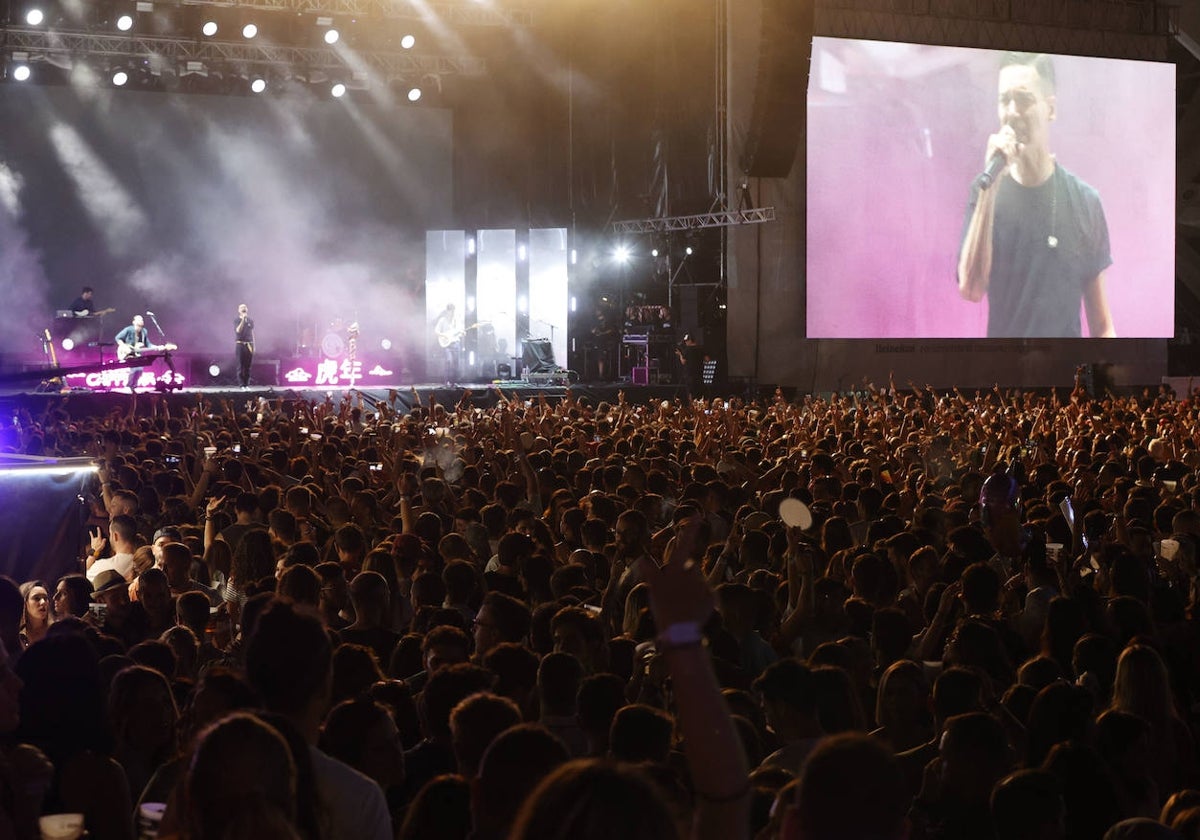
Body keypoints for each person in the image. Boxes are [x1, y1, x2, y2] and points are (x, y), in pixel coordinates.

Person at [957, 52, 1115, 338]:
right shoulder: (984, 191)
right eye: (1005, 100)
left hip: (1067, 378)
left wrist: (1112, 379)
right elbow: (971, 288)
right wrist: (989, 190)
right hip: (1003, 378)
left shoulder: (1084, 201)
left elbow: (1102, 326)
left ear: (1050, 109)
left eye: (1024, 99)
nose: (1013, 111)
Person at [434, 303, 460, 385]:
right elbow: (436, 331)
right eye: (450, 311)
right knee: (448, 361)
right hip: (446, 344)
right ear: (447, 311)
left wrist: (462, 333)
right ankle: (446, 381)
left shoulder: (457, 320)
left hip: (455, 343)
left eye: (453, 311)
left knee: (456, 363)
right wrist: (444, 335)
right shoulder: (442, 320)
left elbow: (459, 332)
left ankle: (454, 381)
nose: (452, 313)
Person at [234, 303, 255, 388]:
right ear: (239, 310)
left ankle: (246, 384)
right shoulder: (236, 320)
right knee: (240, 365)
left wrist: (254, 345)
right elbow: (238, 330)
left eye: (245, 308)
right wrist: (243, 319)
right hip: (240, 344)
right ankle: (241, 384)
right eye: (242, 308)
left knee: (248, 366)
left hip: (249, 344)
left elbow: (252, 333)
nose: (243, 309)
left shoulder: (250, 320)